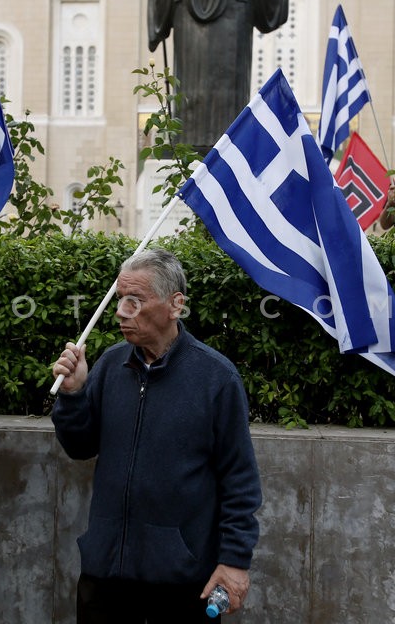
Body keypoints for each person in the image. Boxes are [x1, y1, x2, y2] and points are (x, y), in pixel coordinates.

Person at [51, 248, 262, 623]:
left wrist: (234, 562)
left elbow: (240, 481)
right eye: (120, 300)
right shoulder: (110, 365)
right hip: (106, 576)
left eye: (135, 301)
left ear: (175, 305)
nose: (121, 311)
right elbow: (79, 447)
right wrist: (73, 394)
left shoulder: (216, 378)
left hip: (181, 582)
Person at [148, 0, 290, 152]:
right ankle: (214, 143)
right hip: (201, 5)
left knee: (222, 107)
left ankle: (207, 142)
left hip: (230, 5)